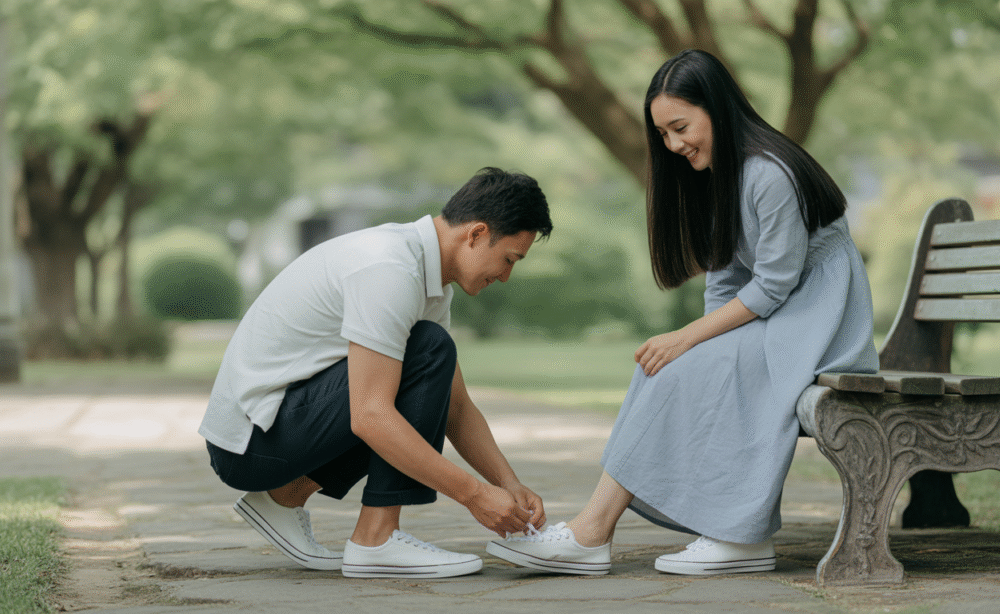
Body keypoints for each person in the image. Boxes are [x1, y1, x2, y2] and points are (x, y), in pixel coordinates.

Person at [486, 49, 878, 576]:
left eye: (680, 127)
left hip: (818, 324)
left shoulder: (770, 174)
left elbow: (776, 285)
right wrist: (692, 342)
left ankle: (732, 538)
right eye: (664, 135)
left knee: (687, 358)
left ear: (716, 107)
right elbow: (725, 279)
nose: (673, 145)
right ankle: (595, 532)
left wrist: (691, 338)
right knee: (666, 364)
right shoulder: (720, 176)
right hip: (780, 317)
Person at [199, 167, 552, 579]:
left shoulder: (427, 278)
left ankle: (283, 498)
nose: (506, 276)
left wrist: (509, 485)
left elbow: (454, 406)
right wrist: (474, 495)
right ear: (475, 234)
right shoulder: (389, 268)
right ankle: (377, 540)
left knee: (426, 357)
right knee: (427, 352)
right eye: (509, 259)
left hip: (273, 428)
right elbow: (369, 415)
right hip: (249, 442)